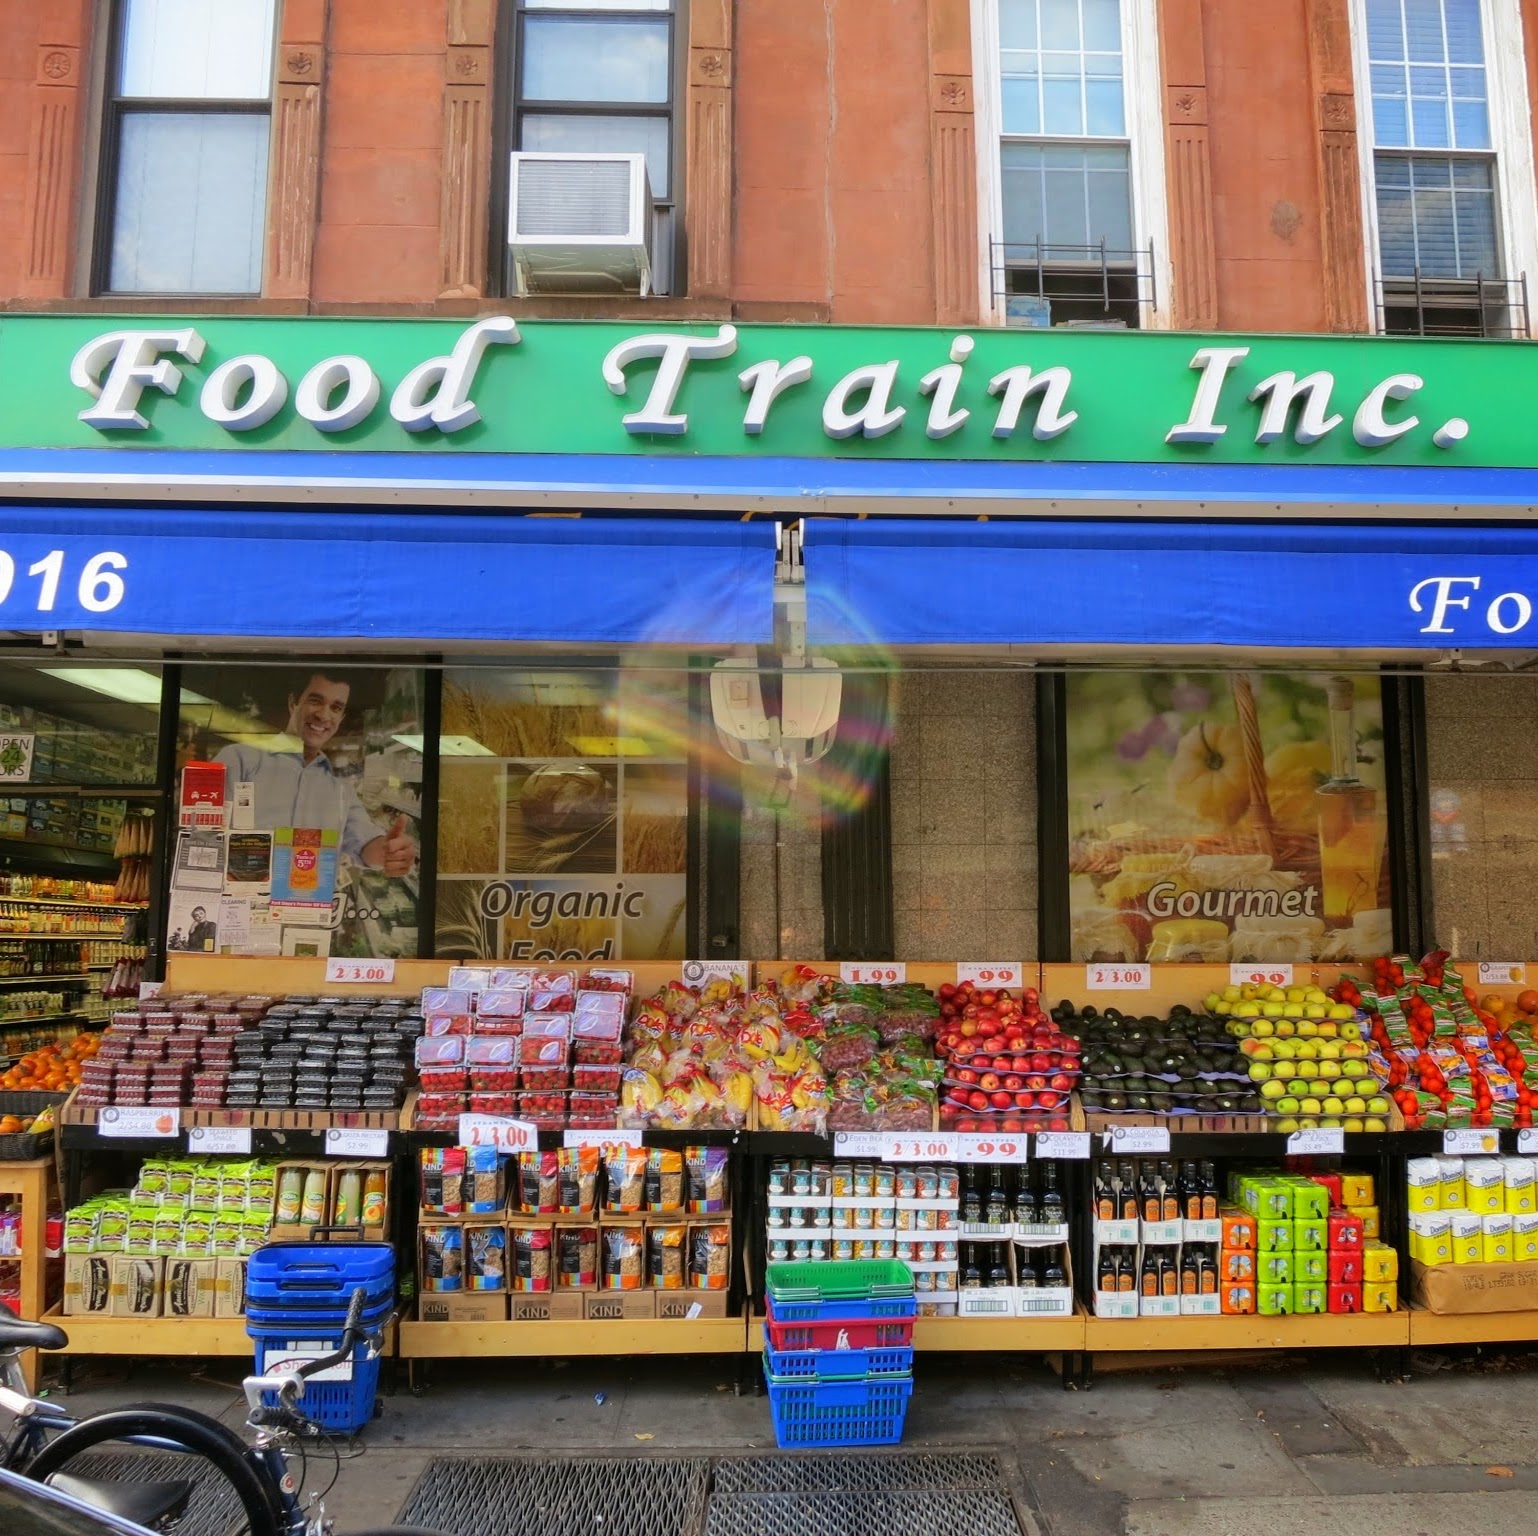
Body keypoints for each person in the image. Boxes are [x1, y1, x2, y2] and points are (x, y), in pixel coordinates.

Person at [213, 671, 416, 875]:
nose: (324, 715)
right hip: (240, 903)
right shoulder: (239, 760)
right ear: (293, 703)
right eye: (315, 701)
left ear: (342, 716)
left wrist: (389, 852)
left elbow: (364, 842)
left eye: (336, 708)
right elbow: (203, 837)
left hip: (308, 902)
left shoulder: (339, 785)